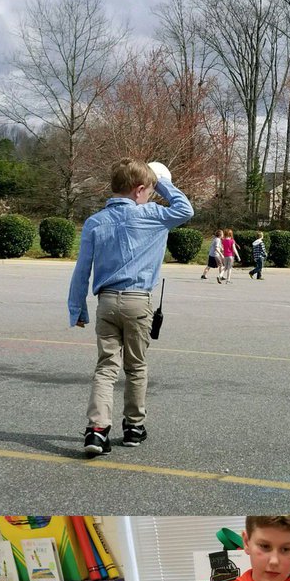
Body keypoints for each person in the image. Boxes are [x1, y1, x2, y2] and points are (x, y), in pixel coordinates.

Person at [68, 158, 193, 458]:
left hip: (107, 302)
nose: (152, 194)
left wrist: (77, 308)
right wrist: (160, 179)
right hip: (138, 302)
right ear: (139, 190)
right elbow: (186, 209)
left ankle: (97, 431)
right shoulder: (153, 215)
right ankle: (134, 427)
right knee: (135, 366)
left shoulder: (95, 222)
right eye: (149, 190)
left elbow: (82, 269)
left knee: (106, 367)